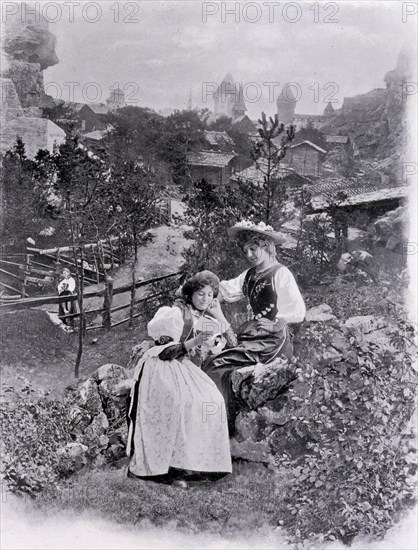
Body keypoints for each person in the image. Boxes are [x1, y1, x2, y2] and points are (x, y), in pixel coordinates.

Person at [126, 270, 233, 487]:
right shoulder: (176, 313)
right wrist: (196, 342)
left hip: (185, 369)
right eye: (201, 294)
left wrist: (218, 319)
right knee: (178, 404)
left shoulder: (208, 320)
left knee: (212, 402)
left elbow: (230, 342)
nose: (205, 299)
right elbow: (165, 351)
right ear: (191, 294)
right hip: (161, 368)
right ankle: (166, 470)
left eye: (210, 295)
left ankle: (198, 464)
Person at [202, 220, 306, 434]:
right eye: (246, 250)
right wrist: (211, 298)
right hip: (255, 336)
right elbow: (226, 291)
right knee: (213, 364)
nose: (249, 254)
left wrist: (279, 320)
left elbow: (298, 309)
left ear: (267, 247)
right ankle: (214, 426)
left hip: (273, 341)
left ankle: (222, 429)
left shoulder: (280, 273)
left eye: (254, 248)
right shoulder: (249, 275)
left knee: (216, 364)